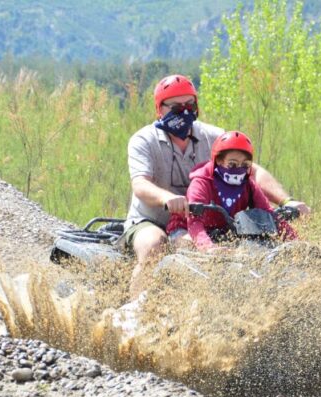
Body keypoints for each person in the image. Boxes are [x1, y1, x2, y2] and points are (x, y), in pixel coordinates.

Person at [123, 74, 310, 292]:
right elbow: (140, 185)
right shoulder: (143, 140)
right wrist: (167, 198)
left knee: (247, 251)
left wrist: (287, 201)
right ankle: (135, 310)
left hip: (208, 220)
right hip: (152, 220)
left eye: (190, 104)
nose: (184, 111)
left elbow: (253, 171)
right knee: (155, 245)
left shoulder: (212, 135)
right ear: (160, 108)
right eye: (175, 107)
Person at [166, 131, 297, 251]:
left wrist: (295, 242)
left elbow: (270, 215)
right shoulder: (201, 182)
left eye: (245, 165)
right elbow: (194, 222)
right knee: (191, 247)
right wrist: (208, 248)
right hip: (187, 229)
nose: (239, 169)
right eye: (232, 164)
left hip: (224, 230)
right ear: (218, 160)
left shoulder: (248, 184)